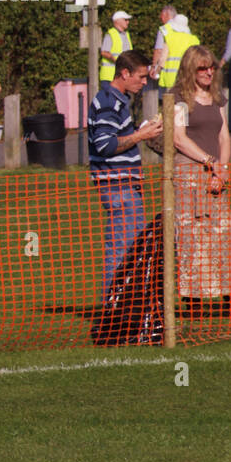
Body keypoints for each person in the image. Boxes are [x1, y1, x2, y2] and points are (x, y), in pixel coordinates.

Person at [88, 49, 163, 294]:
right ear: (125, 73)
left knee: (132, 249)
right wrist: (142, 135)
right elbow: (105, 145)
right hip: (117, 186)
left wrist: (140, 130)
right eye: (140, 77)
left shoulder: (119, 100)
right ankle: (113, 310)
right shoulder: (108, 100)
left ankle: (124, 305)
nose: (144, 82)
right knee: (122, 250)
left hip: (125, 184)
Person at [170, 46, 231, 299]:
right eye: (202, 68)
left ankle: (225, 294)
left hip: (216, 173)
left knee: (222, 234)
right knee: (192, 235)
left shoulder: (216, 97)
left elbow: (224, 136)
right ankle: (192, 297)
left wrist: (223, 168)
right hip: (189, 174)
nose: (209, 73)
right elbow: (178, 138)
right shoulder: (179, 98)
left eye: (212, 67)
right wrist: (210, 162)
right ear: (190, 69)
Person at [155, 8, 199, 93]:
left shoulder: (169, 38)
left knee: (169, 103)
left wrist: (156, 70)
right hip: (188, 77)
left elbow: (163, 58)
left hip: (170, 78)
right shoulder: (194, 40)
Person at [99, 11, 133, 92]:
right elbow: (104, 52)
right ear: (118, 21)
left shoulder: (126, 35)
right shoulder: (111, 34)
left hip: (122, 76)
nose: (128, 22)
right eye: (125, 20)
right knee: (110, 102)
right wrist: (118, 61)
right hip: (109, 77)